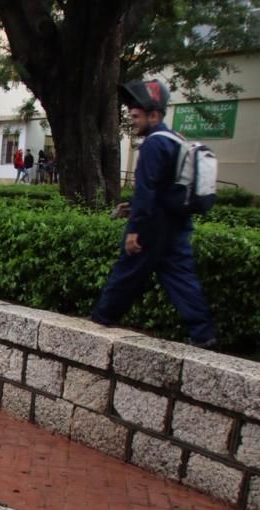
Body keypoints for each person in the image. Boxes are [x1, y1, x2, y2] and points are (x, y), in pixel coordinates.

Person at [91, 79, 217, 348]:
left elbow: (146, 190)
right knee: (180, 276)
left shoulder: (153, 144)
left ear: (154, 115)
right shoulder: (176, 141)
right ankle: (203, 332)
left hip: (152, 225)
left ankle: (101, 320)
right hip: (177, 223)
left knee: (126, 273)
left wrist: (135, 229)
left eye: (136, 117)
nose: (133, 121)